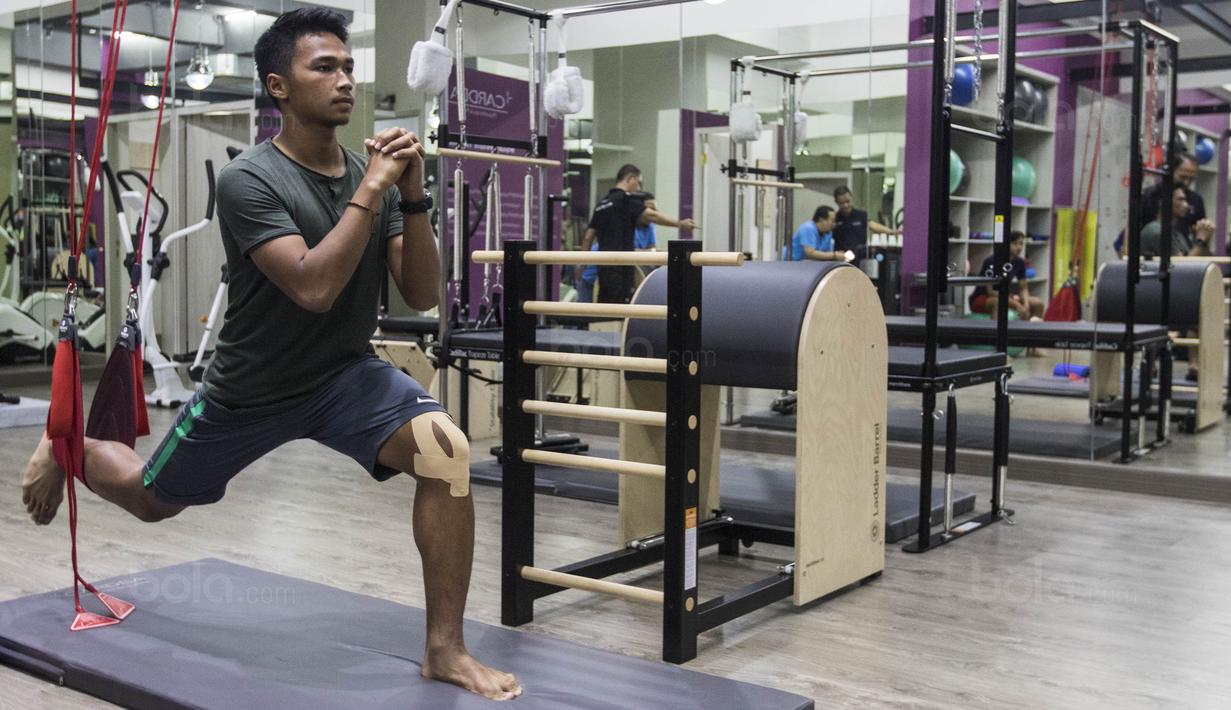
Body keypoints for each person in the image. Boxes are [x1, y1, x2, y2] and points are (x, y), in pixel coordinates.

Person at [20, 9, 520, 702]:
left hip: (344, 375)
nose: (344, 80)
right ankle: (68, 444)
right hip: (251, 388)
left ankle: (444, 648)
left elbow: (423, 292)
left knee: (445, 448)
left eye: (348, 67)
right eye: (325, 68)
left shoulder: (364, 172)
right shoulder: (249, 180)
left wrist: (411, 198)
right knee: (151, 501)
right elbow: (313, 286)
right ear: (279, 87)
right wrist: (372, 189)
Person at [580, 165, 697, 304]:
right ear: (631, 179)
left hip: (604, 268)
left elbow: (588, 236)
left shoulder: (601, 204)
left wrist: (582, 264)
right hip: (621, 267)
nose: (639, 187)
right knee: (622, 309)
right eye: (638, 182)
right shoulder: (625, 200)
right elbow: (652, 216)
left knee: (606, 310)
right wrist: (681, 224)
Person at [576, 191, 658, 301]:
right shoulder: (625, 226)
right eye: (649, 210)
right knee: (587, 310)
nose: (652, 213)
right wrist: (581, 266)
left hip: (619, 271)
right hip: (592, 272)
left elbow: (652, 249)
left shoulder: (649, 227)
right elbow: (634, 251)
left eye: (654, 209)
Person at [968, 230, 1043, 321]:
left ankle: (1029, 333)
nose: (1019, 247)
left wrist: (1026, 304)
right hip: (982, 298)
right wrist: (1017, 305)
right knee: (999, 303)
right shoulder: (992, 261)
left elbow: (1023, 288)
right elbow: (991, 291)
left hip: (1005, 296)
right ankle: (995, 334)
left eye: (1021, 244)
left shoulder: (1020, 262)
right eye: (1015, 244)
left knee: (1038, 303)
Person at [1140, 152, 1206, 235]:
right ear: (1171, 172)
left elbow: (1200, 232)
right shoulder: (1150, 194)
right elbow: (1133, 224)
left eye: (1191, 179)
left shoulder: (1196, 199)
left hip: (1180, 246)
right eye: (1183, 177)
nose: (1186, 183)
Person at [1140, 186, 1214, 258]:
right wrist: (1200, 240)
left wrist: (1205, 238)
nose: (1186, 205)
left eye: (1185, 200)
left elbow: (1202, 262)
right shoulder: (1156, 231)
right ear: (1163, 202)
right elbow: (1183, 267)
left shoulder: (1177, 232)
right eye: (1180, 199)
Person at [832, 185, 900, 258]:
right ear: (836, 202)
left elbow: (873, 225)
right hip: (841, 257)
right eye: (841, 203)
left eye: (848, 201)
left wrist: (891, 232)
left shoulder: (861, 215)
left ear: (852, 197)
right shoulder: (834, 218)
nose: (846, 205)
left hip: (860, 255)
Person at [784, 206, 852, 262]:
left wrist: (839, 256)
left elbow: (827, 253)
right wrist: (835, 255)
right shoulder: (808, 228)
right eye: (832, 221)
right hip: (791, 263)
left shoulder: (828, 233)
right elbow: (810, 253)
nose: (834, 224)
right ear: (821, 220)